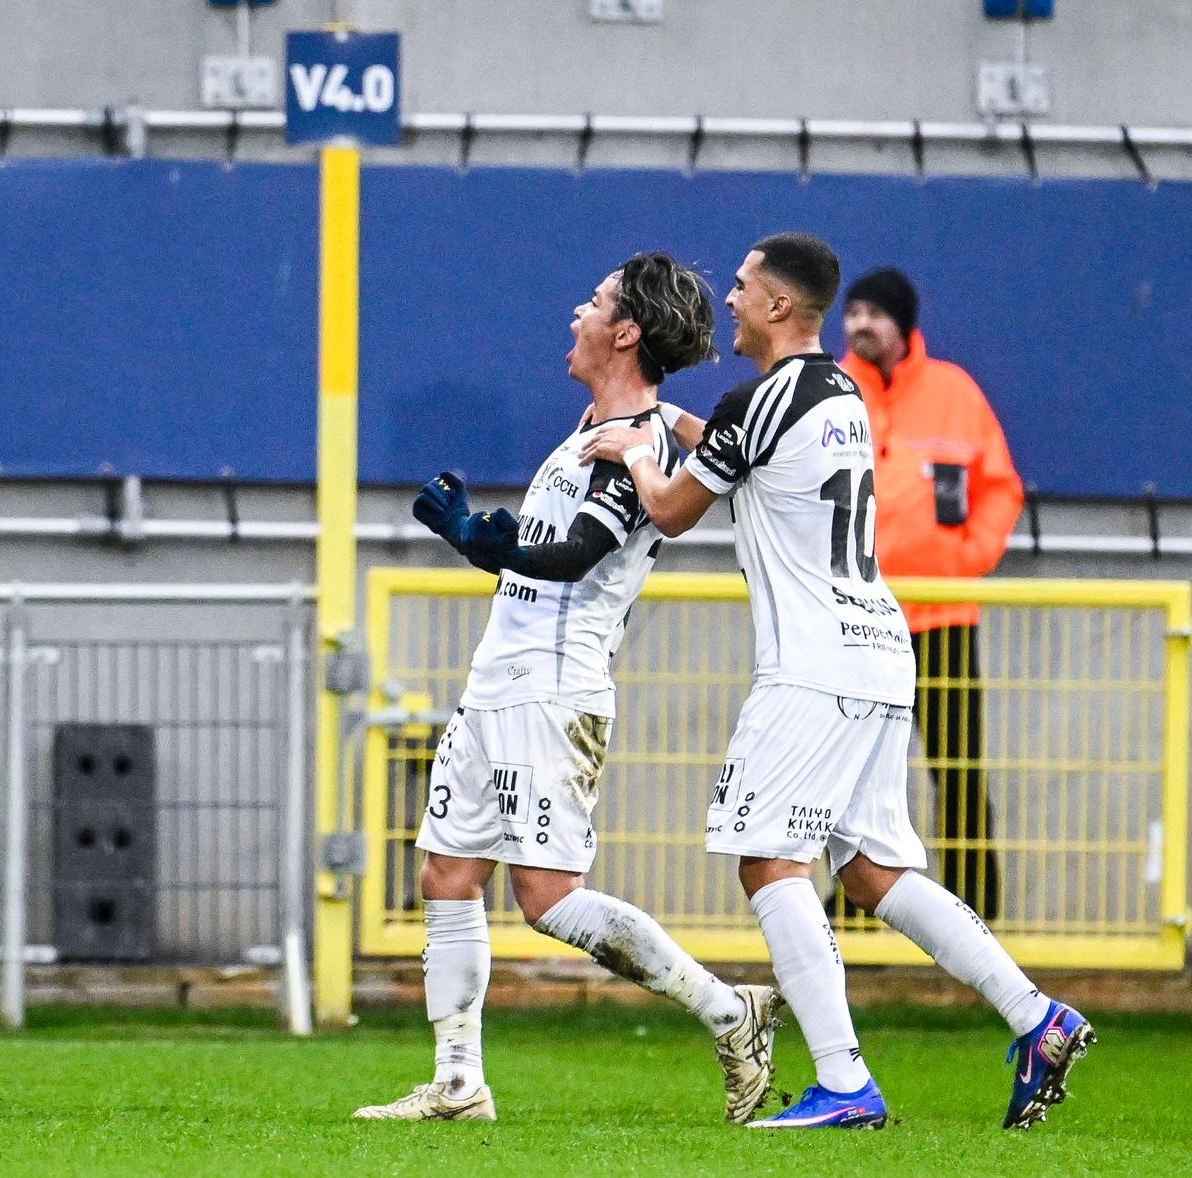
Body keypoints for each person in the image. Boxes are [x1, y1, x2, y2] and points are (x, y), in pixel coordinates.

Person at [579, 233, 1092, 1130]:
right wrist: (681, 436)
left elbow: (671, 507)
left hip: (812, 664)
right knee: (871, 872)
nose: (728, 301)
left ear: (779, 305)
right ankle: (1036, 1016)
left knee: (769, 860)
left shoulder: (759, 399)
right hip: (880, 648)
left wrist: (634, 454)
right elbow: (753, 465)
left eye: (740, 288)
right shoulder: (841, 391)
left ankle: (846, 1082)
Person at [355, 253, 783, 1126]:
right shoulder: (601, 425)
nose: (575, 313)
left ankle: (729, 1012)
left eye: (593, 302)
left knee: (546, 898)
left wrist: (477, 539)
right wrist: (487, 540)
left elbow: (574, 556)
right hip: (496, 683)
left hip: (555, 693)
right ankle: (458, 1082)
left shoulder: (641, 447)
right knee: (447, 872)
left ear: (625, 331)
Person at [839, 267, 1023, 920]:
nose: (860, 324)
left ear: (903, 323)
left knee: (958, 769)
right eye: (852, 312)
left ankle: (977, 918)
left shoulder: (955, 393)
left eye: (873, 313)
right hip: (855, 621)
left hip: (943, 617)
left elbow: (1001, 486)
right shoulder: (830, 392)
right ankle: (850, 922)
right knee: (850, 779)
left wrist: (967, 557)